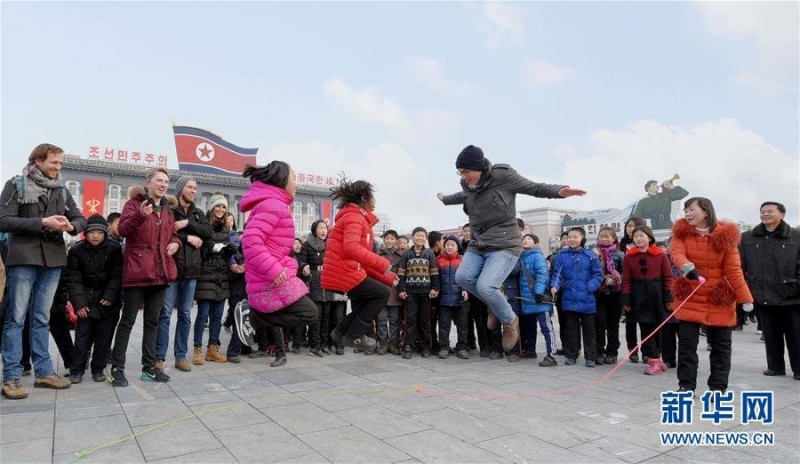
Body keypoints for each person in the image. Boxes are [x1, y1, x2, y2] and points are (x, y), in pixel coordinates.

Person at [437, 145, 585, 352]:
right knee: (462, 278)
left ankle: (509, 320)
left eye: (466, 171)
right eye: (460, 173)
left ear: (478, 167)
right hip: (479, 243)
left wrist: (559, 191)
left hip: (505, 244)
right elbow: (461, 196)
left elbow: (533, 187)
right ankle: (496, 306)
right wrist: (444, 199)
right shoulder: (467, 185)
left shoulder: (503, 176)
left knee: (486, 287)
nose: (463, 177)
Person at [0, 143, 86, 399]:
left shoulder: (61, 190)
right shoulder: (16, 185)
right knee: (16, 318)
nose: (58, 167)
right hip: (24, 258)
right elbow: (3, 220)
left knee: (42, 318)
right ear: (38, 161)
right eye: (54, 163)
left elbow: (80, 218)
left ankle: (44, 372)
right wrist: (42, 222)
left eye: (60, 163)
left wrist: (70, 225)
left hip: (53, 260)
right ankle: (11, 377)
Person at [237, 161, 318, 368]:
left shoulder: (275, 204)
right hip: (269, 276)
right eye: (294, 178)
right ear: (282, 180)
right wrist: (274, 269)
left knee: (309, 313)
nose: (296, 184)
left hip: (274, 274)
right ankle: (251, 315)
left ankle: (254, 317)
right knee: (309, 313)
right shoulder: (273, 205)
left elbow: (273, 245)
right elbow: (250, 240)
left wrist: (288, 263)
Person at [670, 197, 753, 395]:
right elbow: (676, 253)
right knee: (687, 345)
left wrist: (745, 298)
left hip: (719, 296)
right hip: (692, 294)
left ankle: (717, 387)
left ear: (706, 211)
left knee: (721, 346)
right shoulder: (681, 233)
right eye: (686, 210)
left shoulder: (726, 237)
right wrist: (686, 266)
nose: (687, 214)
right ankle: (686, 385)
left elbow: (734, 270)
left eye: (692, 210)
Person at [109, 167, 180, 387]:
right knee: (127, 321)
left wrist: (175, 243)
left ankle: (149, 368)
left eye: (166, 181)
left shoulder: (167, 210)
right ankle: (116, 369)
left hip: (160, 273)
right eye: (159, 180)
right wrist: (141, 214)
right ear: (148, 183)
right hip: (138, 271)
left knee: (153, 322)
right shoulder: (134, 204)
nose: (163, 184)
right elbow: (122, 229)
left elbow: (173, 234)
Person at [322, 178, 398, 354]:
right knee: (382, 293)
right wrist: (383, 263)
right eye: (372, 196)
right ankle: (353, 335)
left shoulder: (356, 218)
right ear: (364, 197)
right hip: (344, 271)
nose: (374, 200)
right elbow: (351, 248)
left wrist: (387, 276)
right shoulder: (354, 217)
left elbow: (361, 258)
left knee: (372, 296)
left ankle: (340, 332)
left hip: (348, 270)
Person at [155, 176, 212, 373]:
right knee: (165, 314)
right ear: (180, 189)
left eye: (195, 187)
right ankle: (159, 357)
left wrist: (187, 223)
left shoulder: (197, 213)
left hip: (192, 272)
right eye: (189, 187)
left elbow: (208, 232)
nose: (193, 190)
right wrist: (188, 237)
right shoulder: (169, 209)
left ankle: (181, 356)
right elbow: (162, 232)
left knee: (186, 315)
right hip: (172, 270)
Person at [740, 201, 800, 380]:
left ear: (782, 214)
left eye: (770, 211)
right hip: (762, 294)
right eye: (762, 211)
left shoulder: (796, 236)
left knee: (796, 335)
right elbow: (740, 264)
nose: (765, 214)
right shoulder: (748, 237)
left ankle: (798, 369)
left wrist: (796, 284)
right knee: (771, 334)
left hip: (792, 295)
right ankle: (775, 367)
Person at [64, 214, 123, 383]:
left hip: (107, 303)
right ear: (85, 233)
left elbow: (117, 275)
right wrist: (79, 304)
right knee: (82, 338)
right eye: (91, 232)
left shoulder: (114, 248)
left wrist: (110, 296)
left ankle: (98, 369)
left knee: (103, 339)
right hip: (86, 303)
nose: (95, 236)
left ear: (105, 233)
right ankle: (77, 369)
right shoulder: (76, 250)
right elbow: (73, 279)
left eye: (99, 232)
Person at [621, 226, 674, 375]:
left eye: (642, 236)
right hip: (639, 296)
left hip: (658, 295)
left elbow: (669, 277)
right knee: (645, 328)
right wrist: (626, 299)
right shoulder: (629, 256)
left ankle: (658, 358)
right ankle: (653, 360)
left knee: (659, 328)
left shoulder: (661, 255)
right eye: (636, 236)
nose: (638, 239)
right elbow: (626, 279)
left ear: (649, 238)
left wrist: (669, 297)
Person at [550, 227, 603, 367]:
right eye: (570, 237)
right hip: (569, 297)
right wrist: (555, 286)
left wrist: (589, 287)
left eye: (575, 237)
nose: (572, 239)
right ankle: (571, 355)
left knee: (589, 330)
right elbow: (557, 273)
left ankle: (590, 357)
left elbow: (598, 275)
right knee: (571, 329)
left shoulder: (590, 255)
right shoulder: (562, 255)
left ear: (582, 239)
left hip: (587, 298)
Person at [193, 192, 233, 364]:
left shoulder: (226, 229)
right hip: (206, 274)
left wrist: (230, 252)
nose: (221, 209)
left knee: (217, 315)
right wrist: (212, 249)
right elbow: (199, 251)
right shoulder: (203, 226)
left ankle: (212, 349)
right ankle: (197, 349)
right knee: (202, 315)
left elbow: (226, 253)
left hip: (221, 276)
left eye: (223, 207)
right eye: (218, 206)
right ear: (211, 208)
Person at [397, 227, 439, 359]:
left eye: (422, 236)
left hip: (426, 293)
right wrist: (402, 289)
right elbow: (401, 273)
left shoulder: (429, 253)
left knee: (424, 320)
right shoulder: (406, 254)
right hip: (410, 293)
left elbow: (434, 272)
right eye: (417, 236)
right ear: (413, 237)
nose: (420, 238)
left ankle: (425, 346)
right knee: (409, 320)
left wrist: (435, 288)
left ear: (425, 238)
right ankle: (407, 346)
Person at [519, 233, 558, 367]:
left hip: (539, 298)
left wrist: (539, 292)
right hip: (527, 299)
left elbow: (543, 275)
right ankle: (530, 351)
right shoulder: (522, 256)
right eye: (524, 239)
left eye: (529, 239)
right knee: (530, 328)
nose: (525, 241)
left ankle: (551, 355)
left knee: (546, 328)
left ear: (535, 243)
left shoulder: (538, 257)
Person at [298, 220, 331, 357]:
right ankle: (314, 346)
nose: (324, 231)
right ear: (314, 230)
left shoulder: (330, 245)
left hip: (328, 280)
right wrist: (304, 266)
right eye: (320, 228)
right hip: (314, 280)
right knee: (316, 316)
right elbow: (300, 260)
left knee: (326, 316)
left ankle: (324, 344)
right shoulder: (307, 245)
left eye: (325, 228)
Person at [593, 227, 624, 365]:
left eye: (607, 236)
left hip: (615, 294)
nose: (604, 239)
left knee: (613, 325)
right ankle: (599, 351)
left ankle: (612, 352)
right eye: (601, 236)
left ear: (614, 239)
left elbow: (625, 274)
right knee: (599, 323)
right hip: (599, 293)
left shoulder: (620, 254)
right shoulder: (593, 253)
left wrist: (615, 278)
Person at [436, 235, 469, 359]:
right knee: (444, 325)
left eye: (452, 245)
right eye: (447, 245)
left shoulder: (462, 260)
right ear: (444, 247)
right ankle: (444, 347)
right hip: (443, 300)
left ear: (457, 247)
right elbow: (436, 279)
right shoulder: (438, 260)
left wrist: (465, 290)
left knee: (462, 325)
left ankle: (462, 348)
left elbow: (466, 278)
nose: (449, 247)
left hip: (460, 299)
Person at [619, 216, 647, 362]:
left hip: (644, 288)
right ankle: (633, 350)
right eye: (628, 226)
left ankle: (647, 350)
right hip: (626, 287)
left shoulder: (646, 245)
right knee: (630, 321)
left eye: (634, 226)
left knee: (645, 321)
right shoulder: (621, 245)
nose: (630, 229)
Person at [376, 229, 404, 355]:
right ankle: (383, 343)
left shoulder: (401, 255)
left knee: (394, 319)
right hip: (381, 290)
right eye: (387, 238)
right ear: (384, 239)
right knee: (381, 319)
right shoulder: (378, 254)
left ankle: (394, 343)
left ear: (396, 240)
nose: (389, 241)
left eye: (392, 238)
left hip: (396, 291)